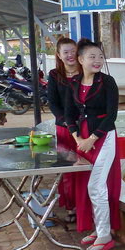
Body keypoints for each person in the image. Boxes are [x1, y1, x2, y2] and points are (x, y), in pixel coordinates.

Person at [65, 39, 122, 250]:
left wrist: (92, 139)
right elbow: (69, 114)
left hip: (103, 137)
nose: (97, 60)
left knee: (96, 187)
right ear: (80, 59)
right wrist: (77, 137)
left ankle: (105, 236)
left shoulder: (107, 82)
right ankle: (99, 229)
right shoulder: (74, 82)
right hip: (83, 138)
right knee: (90, 186)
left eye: (100, 56)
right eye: (92, 56)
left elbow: (111, 115)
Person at [47, 37, 81, 223]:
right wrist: (66, 122)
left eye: (73, 51)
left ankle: (85, 205)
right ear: (59, 55)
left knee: (84, 168)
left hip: (84, 130)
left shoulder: (85, 71)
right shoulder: (54, 75)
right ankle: (71, 207)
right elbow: (53, 103)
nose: (70, 55)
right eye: (65, 52)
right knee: (67, 168)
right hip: (64, 129)